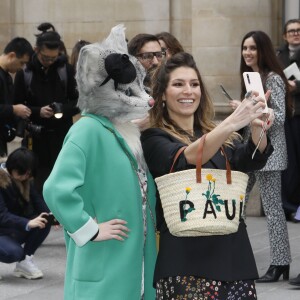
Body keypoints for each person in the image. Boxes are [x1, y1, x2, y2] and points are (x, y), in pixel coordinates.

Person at [141, 52, 275, 299]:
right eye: (178, 84)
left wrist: (258, 128)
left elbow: (249, 158)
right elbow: (187, 158)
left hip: (234, 255)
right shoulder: (154, 138)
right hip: (186, 263)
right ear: (161, 95)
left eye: (194, 84)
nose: (188, 91)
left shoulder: (219, 134)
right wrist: (234, 121)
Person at [43, 24, 156, 300]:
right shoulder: (87, 129)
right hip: (104, 265)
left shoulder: (126, 131)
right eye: (129, 91)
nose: (145, 98)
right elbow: (56, 188)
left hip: (135, 264)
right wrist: (89, 229)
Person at [229, 30, 292, 283]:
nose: (247, 52)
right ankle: (235, 256)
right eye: (245, 48)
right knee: (237, 204)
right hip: (251, 151)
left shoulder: (273, 78)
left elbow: (280, 116)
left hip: (270, 153)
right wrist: (243, 109)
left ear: (262, 50)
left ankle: (280, 263)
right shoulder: (250, 78)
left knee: (273, 210)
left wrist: (259, 111)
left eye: (252, 48)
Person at [13, 22, 79, 193]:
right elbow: (17, 105)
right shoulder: (25, 72)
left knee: (63, 180)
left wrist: (62, 109)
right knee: (38, 183)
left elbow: (78, 102)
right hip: (35, 138)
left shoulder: (65, 70)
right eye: (45, 57)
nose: (50, 61)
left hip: (62, 136)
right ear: (36, 51)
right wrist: (38, 112)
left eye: (53, 57)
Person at [0, 147, 51, 279]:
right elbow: (2, 215)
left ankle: (24, 262)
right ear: (12, 167)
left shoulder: (25, 179)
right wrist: (27, 223)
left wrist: (52, 215)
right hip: (3, 227)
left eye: (29, 173)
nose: (26, 177)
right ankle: (20, 256)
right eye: (23, 173)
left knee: (44, 221)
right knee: (14, 253)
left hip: (10, 228)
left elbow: (37, 200)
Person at [276, 19, 300, 223]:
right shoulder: (278, 55)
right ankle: (288, 206)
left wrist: (297, 86)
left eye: (298, 30)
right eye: (291, 31)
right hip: (286, 114)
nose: (295, 34)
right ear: (285, 35)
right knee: (288, 162)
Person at [0, 37, 33, 158]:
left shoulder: (7, 77)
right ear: (11, 55)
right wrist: (14, 109)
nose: (22, 67)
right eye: (22, 63)